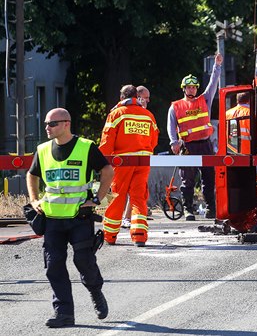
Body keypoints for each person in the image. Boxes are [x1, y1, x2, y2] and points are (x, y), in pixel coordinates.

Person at [26, 108, 114, 328]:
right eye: (46, 124)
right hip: (52, 219)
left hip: (79, 217)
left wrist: (97, 199)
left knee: (83, 261)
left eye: (52, 124)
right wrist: (35, 200)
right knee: (53, 265)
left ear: (66, 124)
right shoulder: (43, 149)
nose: (47, 127)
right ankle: (64, 313)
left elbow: (107, 170)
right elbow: (31, 174)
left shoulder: (86, 147)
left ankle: (95, 291)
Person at [99, 85, 159, 246]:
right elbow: (154, 141)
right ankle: (139, 235)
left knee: (118, 196)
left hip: (123, 162)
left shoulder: (116, 114)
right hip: (144, 161)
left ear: (121, 97)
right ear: (136, 97)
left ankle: (110, 235)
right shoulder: (148, 115)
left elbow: (106, 142)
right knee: (138, 197)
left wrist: (102, 162)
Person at [167, 53, 223, 221]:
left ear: (196, 88)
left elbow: (213, 83)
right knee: (188, 181)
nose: (191, 89)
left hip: (205, 144)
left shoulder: (205, 99)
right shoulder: (175, 106)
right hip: (188, 147)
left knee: (208, 178)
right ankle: (188, 210)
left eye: (194, 87)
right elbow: (171, 126)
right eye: (188, 87)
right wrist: (173, 142)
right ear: (183, 88)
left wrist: (217, 66)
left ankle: (210, 209)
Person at [121, 85, 152, 229]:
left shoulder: (144, 113)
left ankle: (129, 217)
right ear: (138, 97)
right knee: (129, 191)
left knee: (136, 191)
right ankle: (126, 218)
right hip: (126, 159)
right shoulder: (126, 112)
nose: (148, 101)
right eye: (145, 98)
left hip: (140, 158)